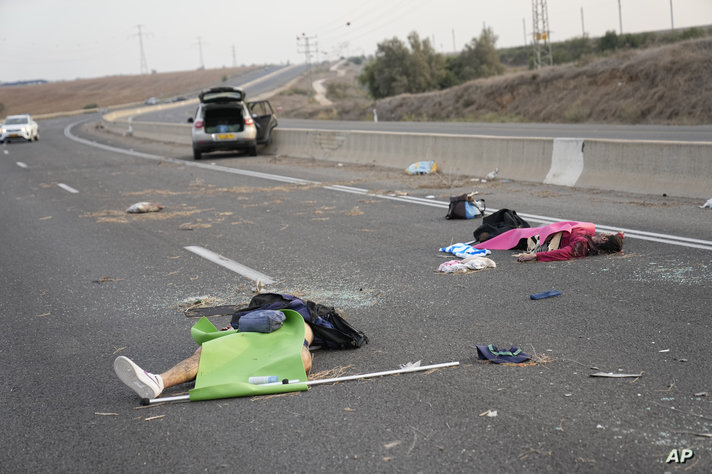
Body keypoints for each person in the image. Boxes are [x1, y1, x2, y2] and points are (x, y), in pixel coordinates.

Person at [114, 320, 314, 399]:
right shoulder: (257, 312)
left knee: (301, 357)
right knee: (206, 353)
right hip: (249, 340)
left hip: (282, 341)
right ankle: (157, 381)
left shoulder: (303, 317)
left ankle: (159, 381)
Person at [517, 228, 624, 262]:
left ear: (604, 239)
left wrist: (534, 256)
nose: (607, 232)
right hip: (545, 232)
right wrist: (620, 236)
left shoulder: (582, 244)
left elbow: (563, 253)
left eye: (609, 234)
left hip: (536, 240)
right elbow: (613, 244)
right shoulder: (592, 242)